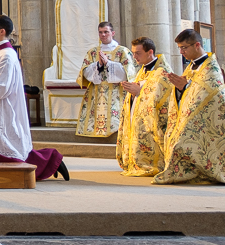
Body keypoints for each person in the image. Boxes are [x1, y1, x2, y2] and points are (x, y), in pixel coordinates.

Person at [0, 16, 68, 181]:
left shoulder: (6, 56)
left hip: (3, 107)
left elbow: (0, 86)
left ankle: (50, 159)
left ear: (2, 31)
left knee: (6, 146)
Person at [154, 29, 225, 184]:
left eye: (184, 48)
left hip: (206, 121)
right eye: (179, 48)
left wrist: (185, 87)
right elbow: (189, 89)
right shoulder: (191, 66)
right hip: (190, 115)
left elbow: (211, 95)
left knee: (182, 141)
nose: (181, 52)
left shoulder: (211, 68)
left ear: (197, 45)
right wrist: (180, 88)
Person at [118, 37, 174, 177]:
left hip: (153, 119)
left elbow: (164, 96)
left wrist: (140, 91)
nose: (134, 57)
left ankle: (151, 164)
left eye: (138, 53)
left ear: (150, 52)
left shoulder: (162, 71)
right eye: (133, 53)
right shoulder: (142, 70)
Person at [76, 22, 137, 138]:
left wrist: (108, 63)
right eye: (100, 32)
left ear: (112, 33)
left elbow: (129, 73)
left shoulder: (122, 51)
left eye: (106, 32)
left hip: (117, 92)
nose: (103, 35)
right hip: (97, 91)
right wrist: (98, 64)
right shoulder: (93, 52)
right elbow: (85, 72)